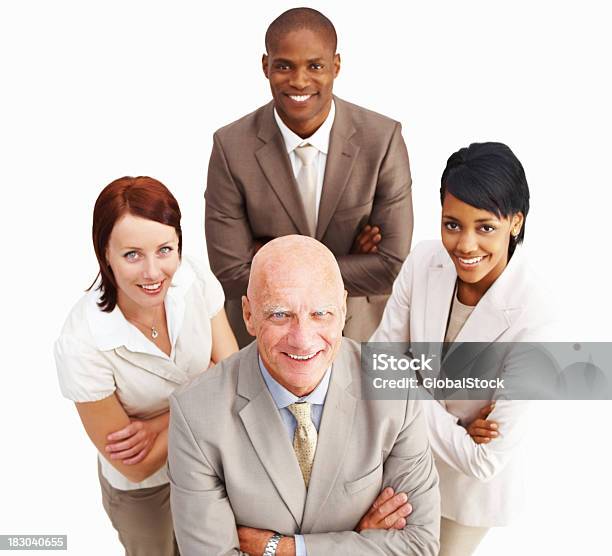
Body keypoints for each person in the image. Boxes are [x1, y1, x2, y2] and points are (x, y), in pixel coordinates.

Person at [168, 235, 440, 556]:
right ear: (248, 315)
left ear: (342, 309)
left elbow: (419, 546)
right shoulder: (195, 412)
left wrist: (283, 549)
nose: (302, 339)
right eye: (280, 314)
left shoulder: (397, 387)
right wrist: (357, 540)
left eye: (321, 313)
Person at [372, 142, 557, 555]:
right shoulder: (423, 262)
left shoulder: (539, 316)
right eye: (452, 224)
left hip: (466, 499)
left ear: (515, 222)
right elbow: (377, 365)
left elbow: (484, 461)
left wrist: (404, 394)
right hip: (398, 468)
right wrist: (455, 427)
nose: (465, 245)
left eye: (485, 227)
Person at [205, 7, 413, 347]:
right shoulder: (230, 147)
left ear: (336, 66)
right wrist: (344, 257)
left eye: (314, 66)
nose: (299, 81)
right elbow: (229, 275)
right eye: (284, 66)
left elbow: (390, 266)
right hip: (265, 343)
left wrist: (273, 260)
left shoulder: (383, 139)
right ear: (265, 66)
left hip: (361, 335)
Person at [54, 176, 238, 556]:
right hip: (144, 492)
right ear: (105, 254)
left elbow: (235, 376)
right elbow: (133, 466)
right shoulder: (82, 342)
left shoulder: (193, 279)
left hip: (212, 463)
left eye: (165, 250)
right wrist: (207, 386)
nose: (154, 272)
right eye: (132, 254)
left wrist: (158, 423)